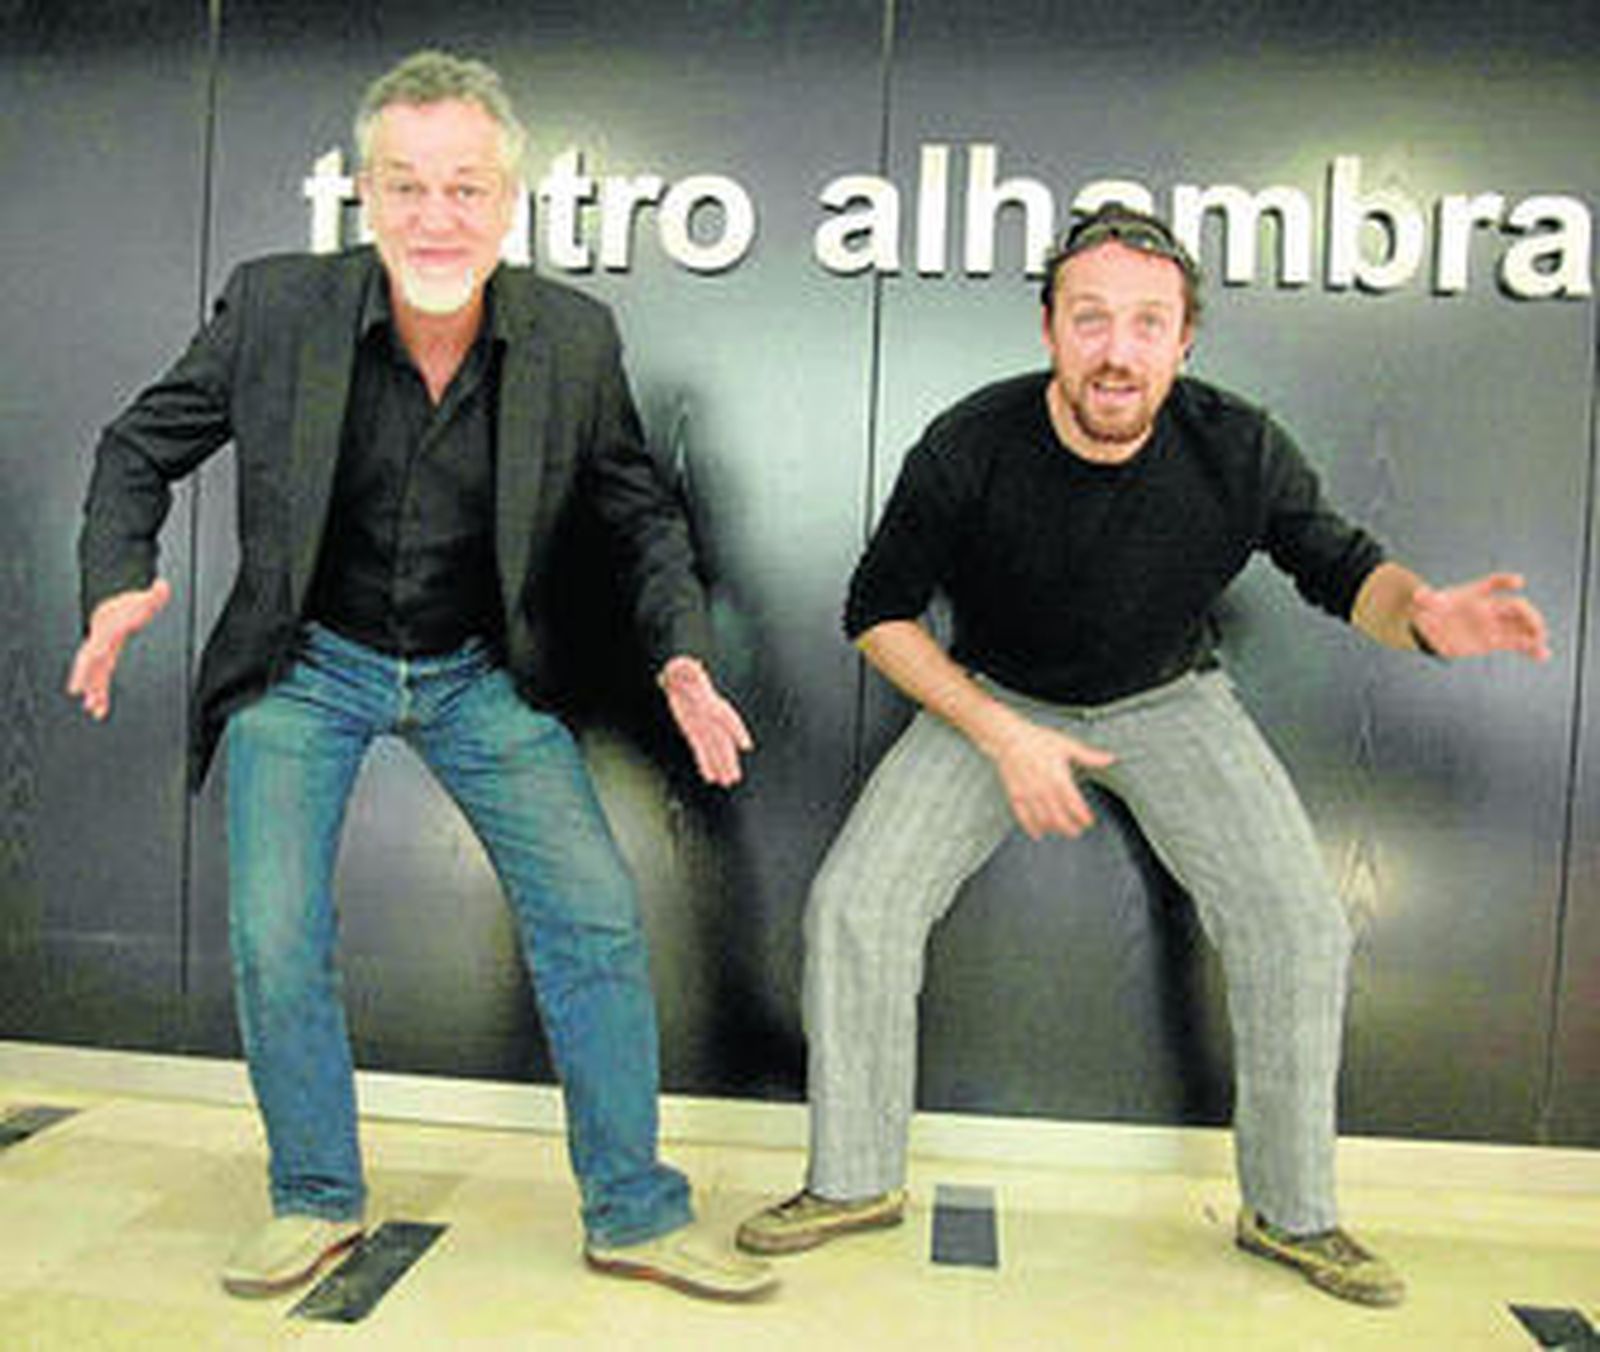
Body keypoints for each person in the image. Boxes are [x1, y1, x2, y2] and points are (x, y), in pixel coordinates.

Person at [736, 203, 1551, 1307]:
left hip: (1171, 700)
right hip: (995, 699)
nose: (1117, 350)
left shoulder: (1237, 445)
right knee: (855, 906)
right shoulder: (970, 443)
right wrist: (1003, 734)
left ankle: (1292, 1209)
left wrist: (1421, 615)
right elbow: (875, 616)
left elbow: (1343, 568)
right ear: (1049, 330)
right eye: (1091, 319)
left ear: (1184, 340)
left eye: (1146, 323)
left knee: (1299, 924)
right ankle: (852, 1179)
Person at [68, 50, 775, 1303]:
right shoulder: (276, 306)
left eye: (464, 188)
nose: (435, 216)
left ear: (507, 202)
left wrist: (680, 651)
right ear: (363, 193)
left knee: (595, 917)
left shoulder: (571, 335)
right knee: (276, 934)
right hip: (307, 662)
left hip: (477, 671)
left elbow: (640, 515)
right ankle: (316, 1196)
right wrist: (118, 578)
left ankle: (632, 1209)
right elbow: (137, 447)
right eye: (405, 185)